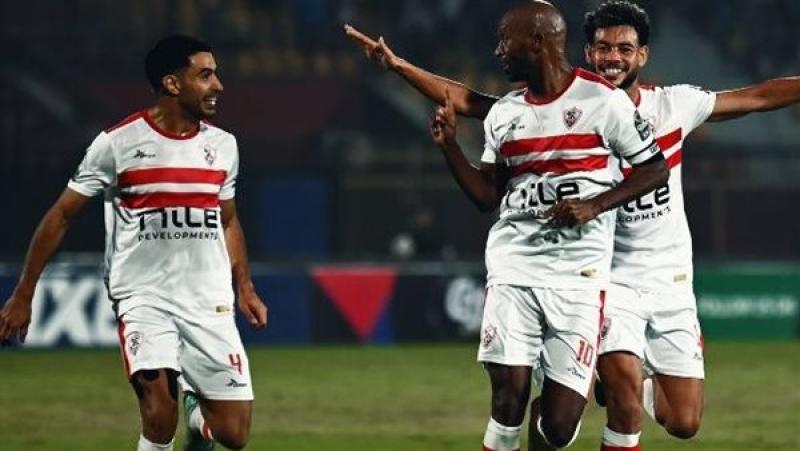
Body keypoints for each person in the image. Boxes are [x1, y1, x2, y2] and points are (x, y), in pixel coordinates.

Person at [346, 1, 800, 450]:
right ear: (587, 52)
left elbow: (757, 97)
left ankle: (608, 385)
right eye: (603, 48)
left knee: (683, 421)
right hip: (605, 276)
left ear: (643, 55)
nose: (613, 58)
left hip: (670, 280)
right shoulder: (563, 102)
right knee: (612, 404)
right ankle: (604, 386)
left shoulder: (671, 106)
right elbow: (468, 101)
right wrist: (399, 67)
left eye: (624, 49)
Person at [359, 2, 669, 449]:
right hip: (514, 267)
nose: (498, 50)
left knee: (558, 428)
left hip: (579, 278)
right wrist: (449, 147)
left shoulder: (604, 102)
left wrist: (595, 205)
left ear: (538, 41)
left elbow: (654, 169)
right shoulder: (505, 114)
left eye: (506, 39)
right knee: (507, 400)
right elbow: (487, 196)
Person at [0, 35, 268, 451]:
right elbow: (61, 215)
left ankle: (198, 418)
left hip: (207, 300)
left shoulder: (223, 146)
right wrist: (24, 293)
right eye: (205, 75)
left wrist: (244, 286)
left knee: (234, 435)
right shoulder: (117, 143)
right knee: (159, 415)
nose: (218, 85)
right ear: (172, 83)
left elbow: (228, 220)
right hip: (144, 297)